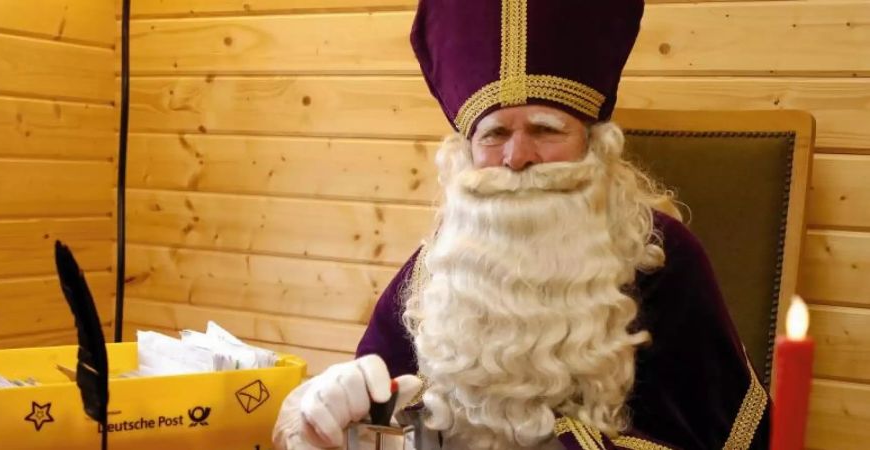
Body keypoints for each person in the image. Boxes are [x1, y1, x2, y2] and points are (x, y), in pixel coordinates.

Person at [273, 0, 769, 448]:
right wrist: (325, 409)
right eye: (494, 134)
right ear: (466, 153)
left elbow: (723, 436)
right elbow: (378, 397)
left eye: (545, 129)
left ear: (593, 144)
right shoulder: (446, 261)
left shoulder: (661, 255)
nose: (517, 158)